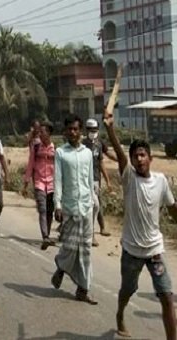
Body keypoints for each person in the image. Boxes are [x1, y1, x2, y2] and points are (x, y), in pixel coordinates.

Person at [103, 112, 177, 339]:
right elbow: (118, 153)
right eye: (135, 156)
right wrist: (110, 130)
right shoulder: (129, 178)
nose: (140, 159)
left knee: (166, 296)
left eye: (143, 155)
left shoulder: (161, 181)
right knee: (128, 289)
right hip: (132, 251)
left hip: (154, 251)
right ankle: (120, 313)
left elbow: (173, 209)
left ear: (150, 158)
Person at [51, 115, 97, 305]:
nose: (73, 132)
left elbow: (89, 179)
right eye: (69, 129)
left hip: (86, 207)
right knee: (70, 247)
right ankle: (61, 265)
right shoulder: (61, 153)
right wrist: (58, 205)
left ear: (80, 131)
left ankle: (83, 289)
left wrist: (94, 201)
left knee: (85, 250)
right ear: (65, 132)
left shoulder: (87, 153)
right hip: (69, 208)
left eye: (76, 129)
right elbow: (58, 181)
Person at [23, 121, 57, 249]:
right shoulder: (36, 147)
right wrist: (26, 183)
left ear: (49, 134)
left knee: (49, 211)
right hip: (39, 182)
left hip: (52, 183)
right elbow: (30, 164)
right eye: (39, 132)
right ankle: (45, 236)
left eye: (42, 132)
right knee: (42, 209)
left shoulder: (56, 149)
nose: (40, 134)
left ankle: (47, 235)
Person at [82, 118, 113, 246]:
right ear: (86, 130)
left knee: (95, 205)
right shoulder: (82, 145)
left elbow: (101, 162)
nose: (93, 132)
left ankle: (91, 231)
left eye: (95, 130)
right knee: (94, 205)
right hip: (84, 180)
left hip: (95, 180)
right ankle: (91, 234)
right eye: (90, 130)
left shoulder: (98, 145)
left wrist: (107, 180)